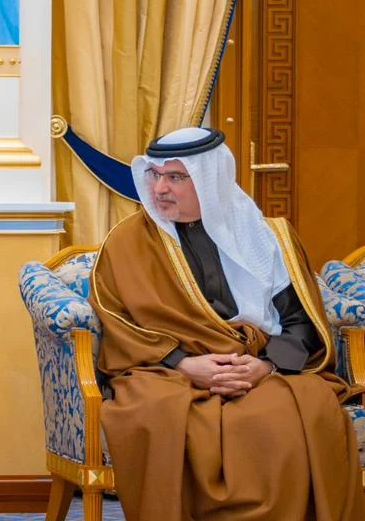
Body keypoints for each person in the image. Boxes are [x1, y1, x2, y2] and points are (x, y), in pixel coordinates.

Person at [91, 127, 365, 520]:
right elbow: (117, 320)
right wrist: (184, 363)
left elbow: (301, 321)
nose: (160, 188)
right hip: (166, 370)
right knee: (159, 413)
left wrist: (265, 366)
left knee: (290, 416)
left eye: (176, 177)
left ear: (211, 179)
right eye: (155, 175)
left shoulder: (269, 236)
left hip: (261, 365)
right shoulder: (127, 242)